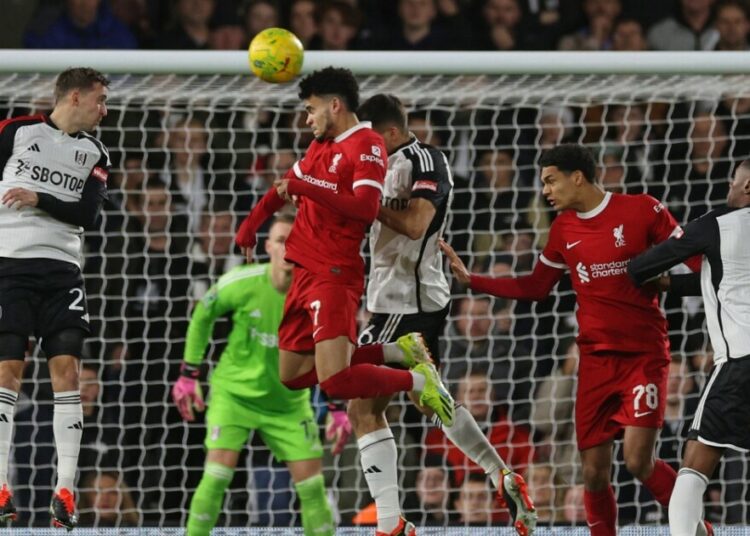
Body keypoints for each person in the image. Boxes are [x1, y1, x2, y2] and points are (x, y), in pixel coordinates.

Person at [440, 144, 710, 536]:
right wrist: (474, 281)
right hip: (595, 362)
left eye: (551, 181)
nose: (546, 191)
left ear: (576, 177)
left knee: (638, 461)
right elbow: (536, 287)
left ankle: (698, 528)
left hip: (643, 357)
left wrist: (704, 281)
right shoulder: (563, 228)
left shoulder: (643, 210)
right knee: (593, 473)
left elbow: (697, 260)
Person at [354, 94, 536, 535]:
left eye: (371, 138)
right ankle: (501, 475)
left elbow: (416, 224)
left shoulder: (424, 161)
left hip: (405, 302)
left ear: (392, 133)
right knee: (426, 398)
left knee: (362, 405)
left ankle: (391, 522)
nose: (366, 147)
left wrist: (359, 203)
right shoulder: (384, 161)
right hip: (404, 298)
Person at [173, 214, 335, 536]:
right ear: (269, 247)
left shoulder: (318, 294)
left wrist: (337, 407)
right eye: (281, 241)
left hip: (288, 404)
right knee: (217, 475)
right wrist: (189, 374)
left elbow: (333, 348)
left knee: (314, 489)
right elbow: (203, 313)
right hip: (235, 394)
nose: (289, 249)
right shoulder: (242, 281)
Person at [0, 67, 110, 529]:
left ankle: (64, 491)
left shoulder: (96, 151)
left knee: (67, 371)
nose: (105, 109)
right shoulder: (15, 132)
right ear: (76, 97)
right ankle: (0, 486)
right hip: (10, 264)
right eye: (100, 100)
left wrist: (39, 197)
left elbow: (86, 212)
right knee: (9, 370)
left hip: (64, 271)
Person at [628, 159, 750, 535]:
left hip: (740, 359)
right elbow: (729, 277)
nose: (728, 188)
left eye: (734, 182)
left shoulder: (717, 224)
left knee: (695, 462)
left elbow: (640, 268)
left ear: (747, 187)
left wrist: (643, 272)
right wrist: (674, 286)